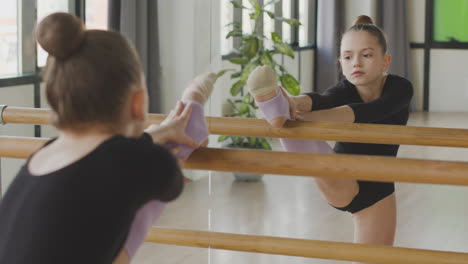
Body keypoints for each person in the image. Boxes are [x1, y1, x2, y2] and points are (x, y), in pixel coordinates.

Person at [0, 12, 216, 264]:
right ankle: (192, 104)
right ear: (138, 103)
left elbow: (106, 158)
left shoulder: (41, 155)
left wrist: (152, 136)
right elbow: (168, 180)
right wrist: (160, 140)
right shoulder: (133, 160)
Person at [247, 15, 413, 263]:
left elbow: (371, 111)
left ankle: (281, 113)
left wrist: (305, 118)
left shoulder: (400, 88)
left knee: (375, 260)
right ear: (340, 63)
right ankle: (278, 108)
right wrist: (296, 103)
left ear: (385, 61)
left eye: (366, 55)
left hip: (378, 192)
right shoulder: (343, 89)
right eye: (347, 57)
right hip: (340, 177)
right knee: (306, 141)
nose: (356, 63)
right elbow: (319, 99)